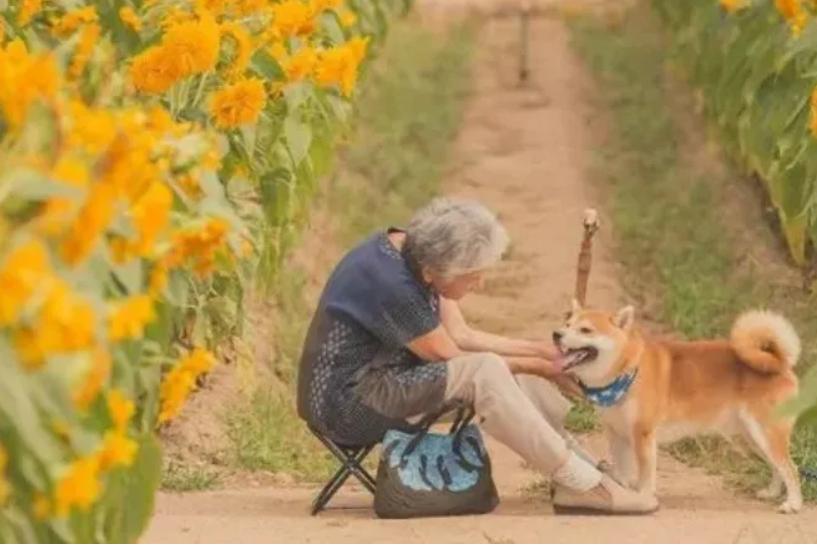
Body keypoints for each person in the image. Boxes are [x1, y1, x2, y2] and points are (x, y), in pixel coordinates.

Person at [296, 197, 657, 514]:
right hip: (347, 405)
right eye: (473, 278)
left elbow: (463, 335)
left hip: (382, 380)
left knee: (506, 368)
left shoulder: (419, 252)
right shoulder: (392, 283)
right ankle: (582, 484)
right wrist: (544, 367)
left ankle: (579, 468)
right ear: (439, 271)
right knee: (488, 371)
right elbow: (454, 359)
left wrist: (542, 352)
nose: (479, 285)